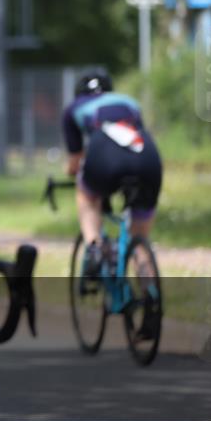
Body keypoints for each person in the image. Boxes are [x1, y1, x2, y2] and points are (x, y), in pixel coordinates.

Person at [61, 71, 163, 278]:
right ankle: (150, 294)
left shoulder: (73, 108)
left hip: (104, 156)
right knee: (140, 239)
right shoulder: (130, 102)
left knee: (87, 196)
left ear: (79, 93)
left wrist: (72, 172)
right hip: (148, 158)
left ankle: (94, 247)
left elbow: (75, 161)